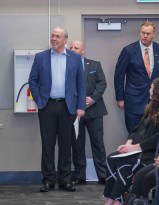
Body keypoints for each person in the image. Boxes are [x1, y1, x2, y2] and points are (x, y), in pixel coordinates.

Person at [104, 78, 159, 205]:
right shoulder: (151, 107)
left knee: (125, 162)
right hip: (136, 149)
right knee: (111, 158)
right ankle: (111, 198)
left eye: (151, 88)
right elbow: (136, 128)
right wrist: (129, 142)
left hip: (150, 152)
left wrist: (135, 148)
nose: (149, 90)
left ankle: (118, 200)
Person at [28, 27, 86, 192]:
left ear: (65, 40)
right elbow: (33, 80)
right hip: (47, 106)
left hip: (68, 107)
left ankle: (65, 180)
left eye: (57, 36)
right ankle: (48, 180)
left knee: (66, 145)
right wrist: (40, 101)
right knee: (47, 145)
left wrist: (80, 107)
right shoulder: (41, 57)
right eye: (52, 36)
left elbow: (81, 84)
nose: (54, 39)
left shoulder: (74, 58)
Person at [114, 22, 159, 133]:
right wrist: (120, 98)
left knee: (152, 133)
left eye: (148, 33)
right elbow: (119, 76)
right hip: (133, 100)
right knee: (134, 134)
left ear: (154, 34)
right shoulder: (128, 50)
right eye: (143, 33)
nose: (145, 36)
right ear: (140, 33)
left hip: (154, 100)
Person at [70, 40, 108, 185]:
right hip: (75, 112)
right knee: (77, 144)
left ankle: (102, 175)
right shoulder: (67, 67)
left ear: (83, 50)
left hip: (94, 110)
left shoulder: (94, 65)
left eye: (76, 48)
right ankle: (80, 176)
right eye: (71, 47)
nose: (73, 49)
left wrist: (92, 99)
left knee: (98, 144)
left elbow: (102, 83)